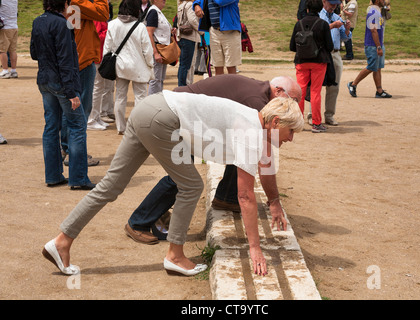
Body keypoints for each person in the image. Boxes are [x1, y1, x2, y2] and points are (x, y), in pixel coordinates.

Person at [42, 89, 303, 277]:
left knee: (110, 186)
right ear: (277, 122)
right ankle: (175, 256)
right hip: (163, 118)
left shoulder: (252, 121)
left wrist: (275, 201)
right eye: (291, 131)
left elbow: (265, 168)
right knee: (191, 186)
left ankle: (62, 241)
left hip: (150, 107)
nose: (291, 138)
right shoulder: (251, 132)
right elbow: (245, 196)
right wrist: (255, 249)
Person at [126, 75, 302, 243]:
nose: (292, 106)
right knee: (180, 178)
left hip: (197, 119)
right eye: (292, 100)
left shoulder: (263, 97)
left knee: (242, 153)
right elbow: (266, 161)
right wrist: (274, 202)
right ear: (278, 91)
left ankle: (226, 197)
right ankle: (138, 223)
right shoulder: (258, 103)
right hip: (180, 117)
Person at [30, 0, 95, 190]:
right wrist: (72, 92)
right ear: (64, 4)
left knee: (51, 126)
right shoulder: (62, 24)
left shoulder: (37, 21)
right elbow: (66, 60)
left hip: (44, 79)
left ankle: (53, 175)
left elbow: (34, 53)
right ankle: (78, 178)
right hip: (62, 83)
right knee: (77, 125)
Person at [61, 0, 109, 166]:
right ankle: (72, 151)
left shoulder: (75, 3)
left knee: (72, 108)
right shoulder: (78, 2)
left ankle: (67, 149)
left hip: (76, 59)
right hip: (82, 60)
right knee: (81, 108)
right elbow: (104, 13)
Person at [104, 0, 154, 135]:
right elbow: (147, 51)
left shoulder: (112, 25)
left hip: (120, 66)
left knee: (120, 97)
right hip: (139, 67)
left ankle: (121, 127)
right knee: (140, 98)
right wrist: (151, 65)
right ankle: (137, 127)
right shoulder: (140, 27)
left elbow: (107, 48)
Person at [290, 0, 333, 133]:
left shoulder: (299, 24)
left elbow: (292, 46)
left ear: (307, 8)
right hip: (319, 62)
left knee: (300, 92)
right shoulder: (323, 24)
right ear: (320, 9)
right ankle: (316, 123)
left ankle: (298, 122)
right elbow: (330, 46)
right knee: (315, 92)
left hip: (301, 61)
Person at [347, 0, 391, 98]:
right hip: (373, 45)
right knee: (371, 67)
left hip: (378, 43)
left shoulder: (378, 11)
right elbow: (373, 30)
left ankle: (379, 91)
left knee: (377, 68)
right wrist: (378, 46)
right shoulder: (373, 12)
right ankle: (353, 84)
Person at [319, 0, 351, 126]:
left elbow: (344, 37)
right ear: (324, 1)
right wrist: (332, 25)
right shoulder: (318, 16)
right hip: (322, 54)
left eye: (336, 4)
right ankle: (312, 115)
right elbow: (317, 32)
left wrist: (347, 30)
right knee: (316, 87)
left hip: (335, 53)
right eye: (331, 3)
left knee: (334, 87)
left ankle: (329, 115)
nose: (334, 6)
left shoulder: (337, 17)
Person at [193, 0, 242, 75]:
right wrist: (196, 5)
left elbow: (221, 2)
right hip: (214, 31)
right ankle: (219, 86)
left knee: (231, 65)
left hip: (230, 31)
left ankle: (232, 86)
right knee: (217, 65)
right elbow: (198, 1)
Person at [87, 20, 113, 131]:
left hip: (102, 55)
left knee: (100, 87)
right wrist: (110, 31)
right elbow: (96, 36)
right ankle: (91, 119)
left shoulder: (101, 16)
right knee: (97, 88)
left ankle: (96, 117)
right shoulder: (97, 18)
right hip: (98, 55)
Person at [146, 0, 172, 94]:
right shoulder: (153, 11)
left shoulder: (157, 11)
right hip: (157, 49)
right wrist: (155, 52)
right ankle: (152, 103)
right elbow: (149, 32)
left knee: (160, 79)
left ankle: (157, 101)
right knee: (155, 79)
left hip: (162, 49)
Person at [176, 1, 201, 87]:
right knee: (189, 65)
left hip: (182, 37)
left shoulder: (181, 5)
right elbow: (192, 20)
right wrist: (201, 31)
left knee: (183, 64)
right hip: (190, 37)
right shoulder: (190, 5)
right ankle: (186, 85)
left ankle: (182, 85)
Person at [0, 0, 18, 79]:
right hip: (14, 26)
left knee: (2, 50)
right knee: (12, 50)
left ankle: (5, 71)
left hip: (5, 27)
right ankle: (13, 71)